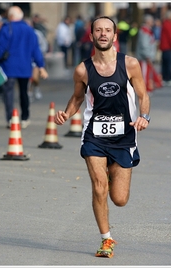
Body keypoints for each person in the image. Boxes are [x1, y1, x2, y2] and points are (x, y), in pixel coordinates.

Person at [55, 16, 150, 258]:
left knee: (119, 199)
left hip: (124, 137)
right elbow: (77, 98)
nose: (103, 34)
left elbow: (143, 95)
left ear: (115, 36)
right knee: (99, 188)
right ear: (92, 36)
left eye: (108, 30)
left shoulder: (130, 64)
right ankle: (106, 240)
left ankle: (111, 173)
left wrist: (144, 117)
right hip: (94, 136)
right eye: (99, 30)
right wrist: (66, 114)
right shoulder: (82, 69)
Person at [0, 6, 48, 129]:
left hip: (8, 66)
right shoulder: (30, 30)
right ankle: (25, 117)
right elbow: (35, 50)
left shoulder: (6, 29)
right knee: (24, 92)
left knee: (8, 92)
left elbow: (0, 47)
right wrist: (41, 66)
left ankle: (11, 118)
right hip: (25, 67)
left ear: (10, 16)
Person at [135, 14, 162, 93]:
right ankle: (143, 89)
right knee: (144, 74)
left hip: (146, 56)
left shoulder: (148, 30)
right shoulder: (145, 30)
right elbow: (144, 44)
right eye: (151, 21)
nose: (153, 23)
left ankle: (146, 88)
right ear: (147, 21)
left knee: (147, 74)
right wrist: (148, 56)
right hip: (144, 57)